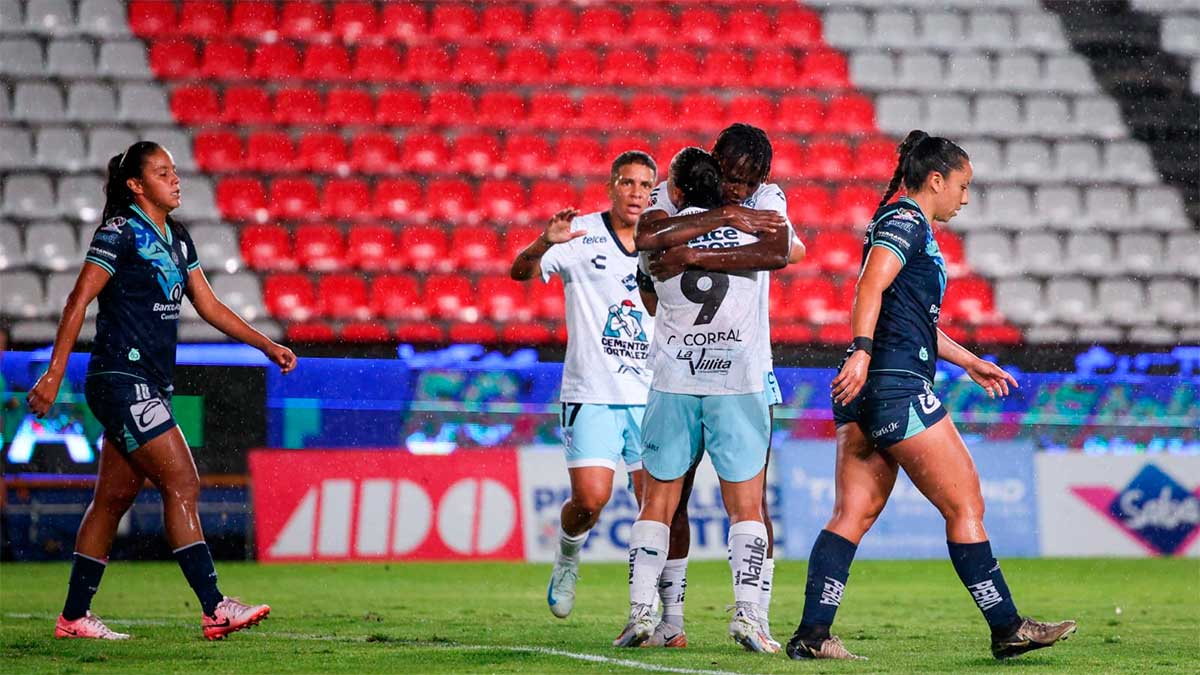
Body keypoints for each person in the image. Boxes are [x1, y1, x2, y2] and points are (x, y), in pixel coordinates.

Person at [784, 130, 1077, 661]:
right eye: (962, 186)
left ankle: (812, 635)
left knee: (853, 512)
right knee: (966, 504)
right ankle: (1007, 626)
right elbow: (869, 287)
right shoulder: (906, 220)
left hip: (869, 389)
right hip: (896, 385)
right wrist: (861, 350)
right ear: (936, 180)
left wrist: (968, 361)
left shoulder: (904, 223)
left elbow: (909, 319)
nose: (965, 197)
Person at [27, 142, 297, 641]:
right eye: (163, 172)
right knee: (183, 484)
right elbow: (77, 299)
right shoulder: (120, 231)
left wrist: (266, 344)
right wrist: (53, 373)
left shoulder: (178, 238)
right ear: (136, 185)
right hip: (120, 379)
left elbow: (210, 306)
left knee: (112, 500)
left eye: (174, 171)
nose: (175, 179)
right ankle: (215, 607)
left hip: (149, 384)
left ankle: (73, 618)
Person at [633, 124, 805, 650]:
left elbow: (652, 251)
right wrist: (729, 219)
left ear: (763, 180)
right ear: (713, 165)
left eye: (746, 184)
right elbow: (780, 251)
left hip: (708, 372)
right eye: (729, 178)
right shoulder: (728, 205)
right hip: (723, 374)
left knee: (677, 501)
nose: (737, 190)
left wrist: (693, 258)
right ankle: (664, 618)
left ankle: (740, 615)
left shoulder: (760, 199)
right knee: (699, 502)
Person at [511, 151, 688, 629]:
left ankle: (657, 613)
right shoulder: (581, 234)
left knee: (656, 508)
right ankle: (568, 557)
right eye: (627, 183)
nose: (636, 193)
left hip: (651, 396)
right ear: (612, 185)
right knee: (590, 501)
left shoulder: (665, 241)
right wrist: (542, 244)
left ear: (655, 191)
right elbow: (520, 272)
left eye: (645, 186)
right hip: (590, 392)